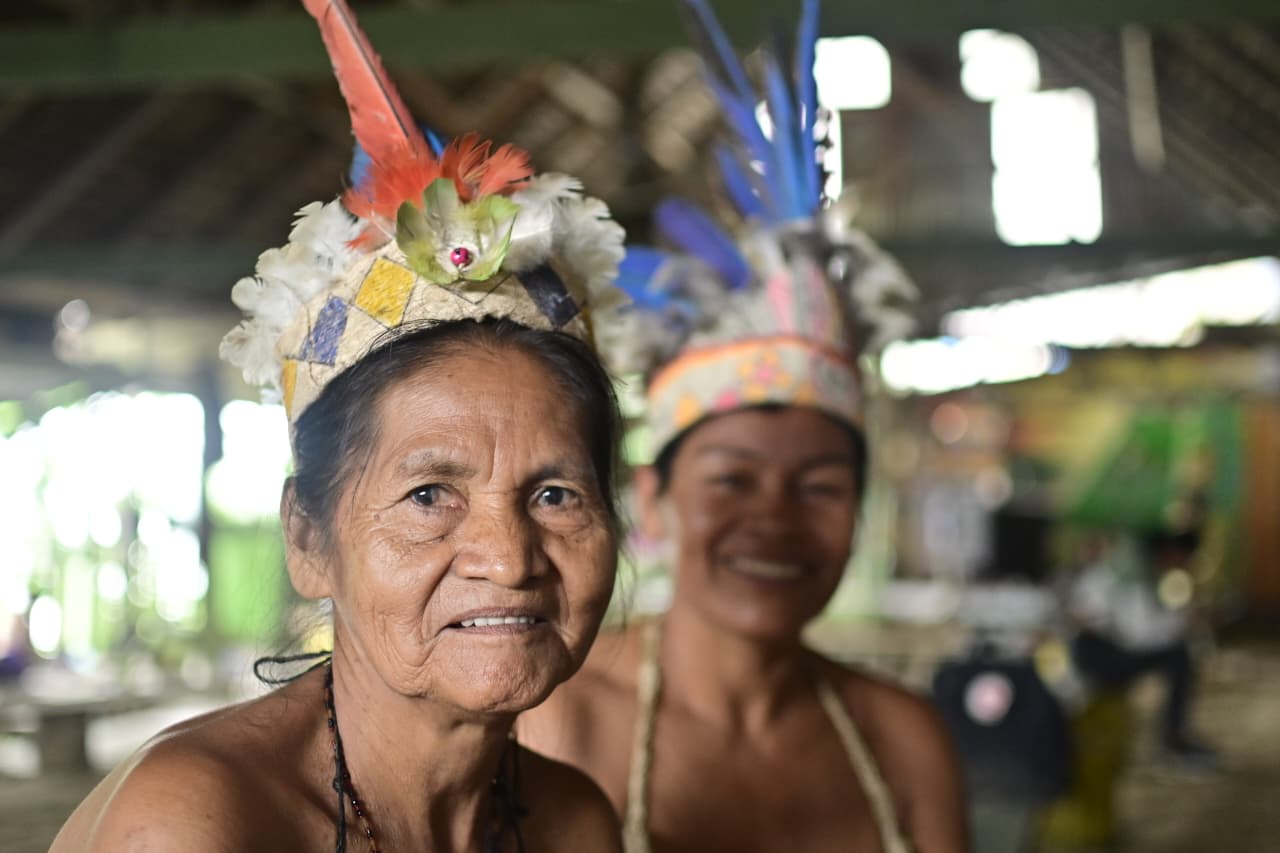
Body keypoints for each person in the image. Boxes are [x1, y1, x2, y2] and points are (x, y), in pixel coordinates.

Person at [50, 1, 631, 850]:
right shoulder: (199, 822)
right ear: (308, 537)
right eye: (429, 493)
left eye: (554, 494)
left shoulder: (572, 822)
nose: (509, 559)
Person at [520, 2, 967, 850]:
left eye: (820, 486)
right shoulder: (552, 722)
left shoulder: (906, 742)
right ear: (653, 501)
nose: (774, 518)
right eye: (731, 478)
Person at [1068, 529, 1216, 764]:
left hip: (1102, 651)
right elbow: (1138, 637)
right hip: (1098, 658)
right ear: (1170, 552)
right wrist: (1184, 621)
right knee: (1179, 658)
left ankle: (1173, 736)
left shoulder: (1134, 572)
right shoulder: (1130, 577)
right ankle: (1174, 739)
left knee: (1178, 656)